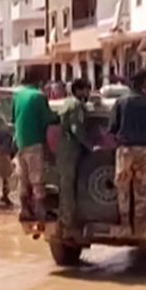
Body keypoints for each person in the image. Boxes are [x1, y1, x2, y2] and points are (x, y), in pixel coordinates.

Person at [109, 69, 146, 237]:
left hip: (125, 150)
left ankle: (124, 224)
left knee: (123, 187)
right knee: (141, 187)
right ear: (144, 83)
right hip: (144, 148)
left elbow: (112, 128)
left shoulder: (121, 102)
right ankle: (139, 227)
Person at [12, 70, 57, 226]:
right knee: (37, 180)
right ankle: (41, 213)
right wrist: (59, 116)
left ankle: (24, 211)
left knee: (23, 180)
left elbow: (13, 118)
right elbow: (48, 118)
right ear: (39, 82)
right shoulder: (39, 96)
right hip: (34, 143)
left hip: (20, 143)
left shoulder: (18, 96)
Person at [57, 79, 93, 237]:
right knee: (68, 187)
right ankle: (68, 223)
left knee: (67, 186)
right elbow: (76, 128)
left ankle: (66, 220)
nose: (88, 93)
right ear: (79, 90)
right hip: (71, 149)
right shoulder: (77, 105)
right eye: (87, 90)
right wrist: (90, 146)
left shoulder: (66, 103)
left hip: (64, 149)